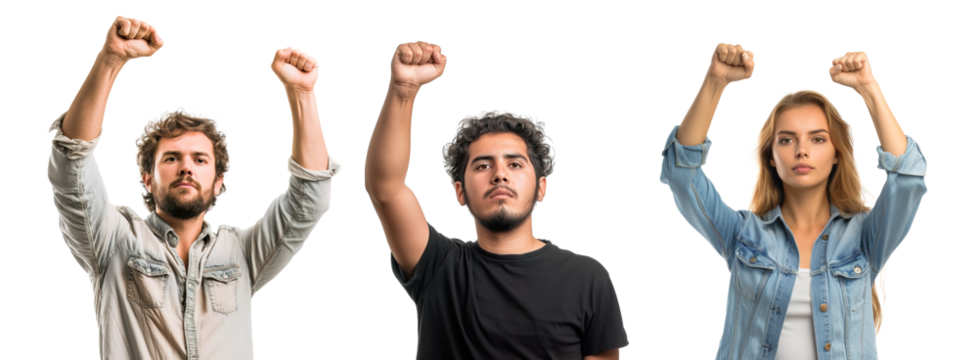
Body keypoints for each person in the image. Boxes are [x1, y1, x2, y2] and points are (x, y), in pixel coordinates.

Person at [44, 15, 341, 359]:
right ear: (147, 178)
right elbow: (71, 162)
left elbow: (310, 198)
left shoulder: (243, 254)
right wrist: (111, 59)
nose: (186, 166)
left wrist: (302, 93)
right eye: (171, 158)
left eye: (200, 160)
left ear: (219, 181)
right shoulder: (113, 243)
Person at [659, 41, 929, 359]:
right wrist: (715, 81)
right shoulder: (742, 235)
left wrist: (870, 89)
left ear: (836, 155)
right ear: (771, 156)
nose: (802, 150)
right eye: (787, 139)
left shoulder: (866, 239)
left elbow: (908, 179)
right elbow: (681, 173)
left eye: (817, 139)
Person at [362, 40, 629, 359]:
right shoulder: (438, 265)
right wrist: (403, 90)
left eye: (514, 164)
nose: (499, 174)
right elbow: (385, 187)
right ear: (459, 192)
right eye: (483, 165)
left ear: (541, 187)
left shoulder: (589, 278)